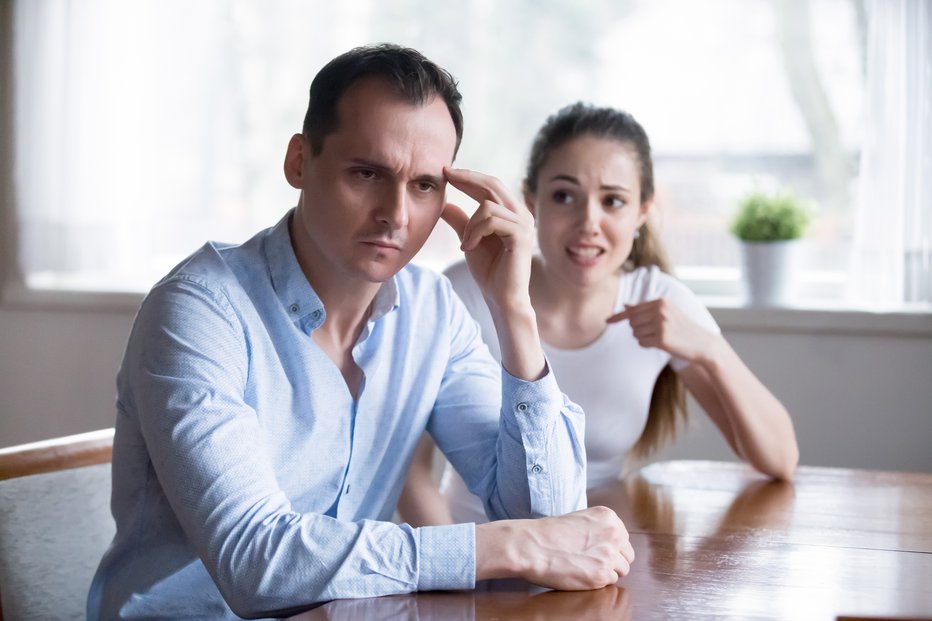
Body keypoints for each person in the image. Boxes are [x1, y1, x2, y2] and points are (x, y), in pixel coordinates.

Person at [87, 48, 636, 620]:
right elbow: (256, 563)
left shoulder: (432, 312)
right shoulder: (198, 312)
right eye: (367, 173)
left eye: (425, 185)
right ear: (300, 161)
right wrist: (506, 547)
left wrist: (514, 311)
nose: (396, 214)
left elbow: (550, 520)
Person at [398, 103, 799, 526]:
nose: (589, 222)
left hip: (598, 564)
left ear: (643, 212)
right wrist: (461, 568)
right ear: (531, 201)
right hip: (483, 555)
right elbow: (411, 470)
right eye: (564, 196)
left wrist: (710, 349)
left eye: (613, 201)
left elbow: (780, 459)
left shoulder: (661, 301)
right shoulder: (466, 290)